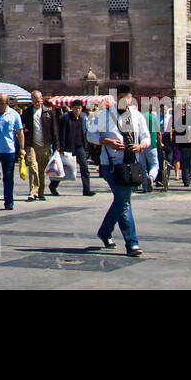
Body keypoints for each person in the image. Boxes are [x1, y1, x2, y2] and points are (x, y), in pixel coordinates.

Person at [95, 86, 149, 257]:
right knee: (124, 202)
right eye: (123, 98)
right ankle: (132, 243)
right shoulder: (104, 115)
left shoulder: (136, 115)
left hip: (131, 164)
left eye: (128, 98)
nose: (126, 102)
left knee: (121, 200)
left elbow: (146, 136)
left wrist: (140, 146)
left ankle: (105, 231)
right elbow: (90, 135)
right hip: (111, 165)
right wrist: (106, 142)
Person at [52, 99, 94, 196]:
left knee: (84, 167)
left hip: (79, 147)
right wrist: (61, 148)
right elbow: (62, 134)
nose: (77, 110)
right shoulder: (65, 118)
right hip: (67, 147)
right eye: (75, 108)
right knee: (64, 168)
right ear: (71, 108)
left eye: (79, 108)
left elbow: (81, 133)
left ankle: (86, 189)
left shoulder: (81, 119)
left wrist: (84, 145)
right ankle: (53, 186)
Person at [21, 90, 58, 202]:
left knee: (41, 169)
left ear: (41, 99)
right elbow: (21, 127)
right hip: (31, 143)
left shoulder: (48, 112)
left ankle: (40, 192)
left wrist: (57, 145)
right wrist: (24, 130)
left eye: (38, 101)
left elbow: (54, 129)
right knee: (33, 166)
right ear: (31, 100)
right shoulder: (27, 113)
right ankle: (33, 192)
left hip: (45, 143)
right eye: (34, 101)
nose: (37, 103)